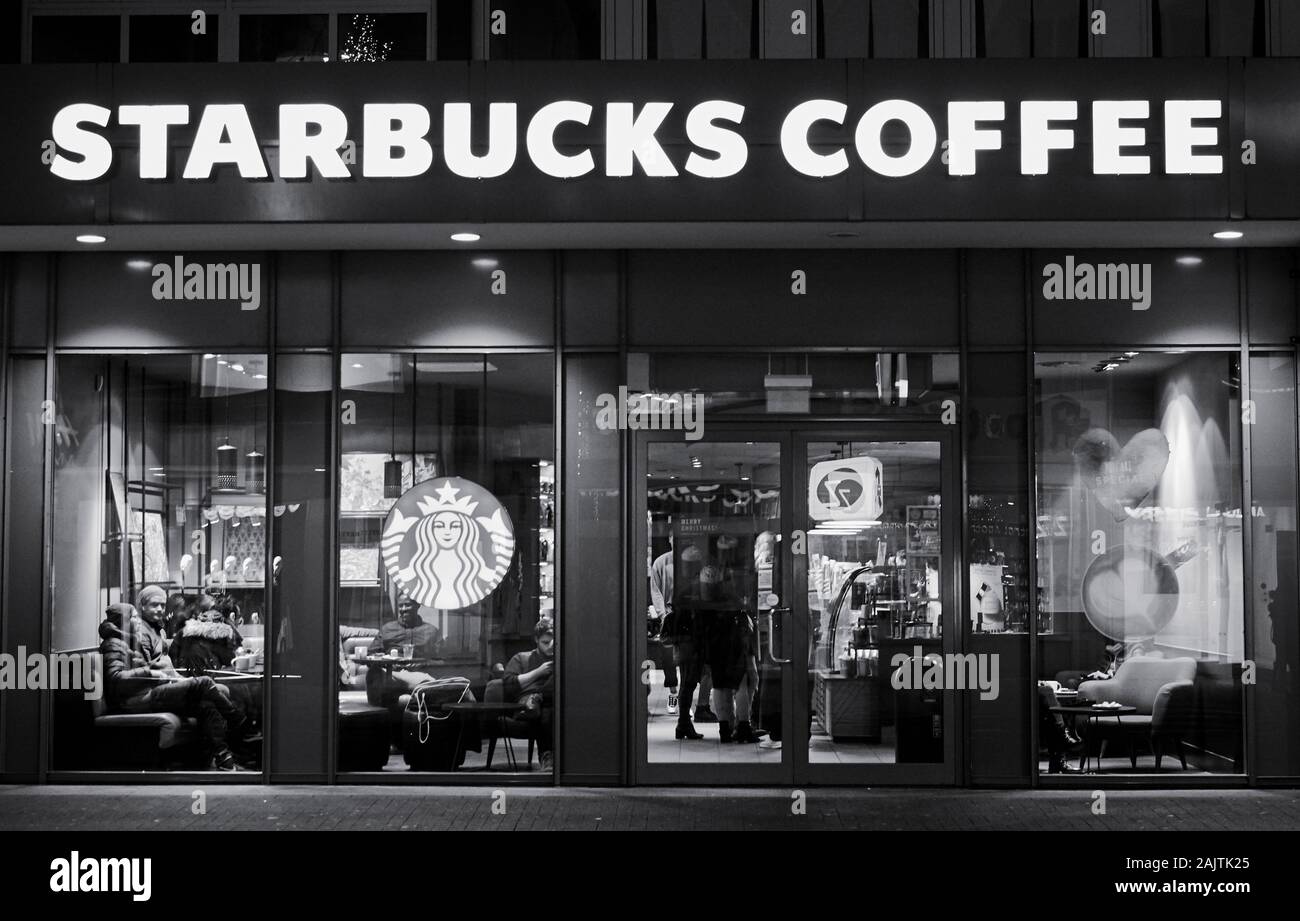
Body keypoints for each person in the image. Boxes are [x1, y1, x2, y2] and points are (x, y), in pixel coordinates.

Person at [98, 602, 252, 770]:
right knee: (205, 682)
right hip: (134, 700)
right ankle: (240, 722)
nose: (139, 621)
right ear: (123, 621)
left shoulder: (132, 640)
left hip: (148, 691)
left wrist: (157, 670)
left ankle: (225, 761)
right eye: (134, 617)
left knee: (206, 705)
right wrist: (150, 672)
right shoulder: (114, 643)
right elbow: (115, 678)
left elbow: (148, 664)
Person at [365, 590, 444, 708]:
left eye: (407, 605)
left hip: (418, 675)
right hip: (391, 674)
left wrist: (424, 663)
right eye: (400, 605)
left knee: (432, 683)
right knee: (375, 673)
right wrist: (388, 662)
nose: (403, 609)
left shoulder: (431, 631)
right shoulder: (387, 629)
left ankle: (417, 695)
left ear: (417, 605)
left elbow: (442, 660)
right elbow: (371, 655)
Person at [502, 617, 556, 771]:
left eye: (554, 642)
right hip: (526, 706)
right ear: (536, 640)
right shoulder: (521, 658)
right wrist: (537, 673)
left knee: (549, 703)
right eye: (546, 642)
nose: (551, 647)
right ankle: (548, 756)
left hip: (550, 704)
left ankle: (549, 756)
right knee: (546, 709)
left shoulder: (562, 658)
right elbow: (508, 686)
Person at [648, 545, 679, 714]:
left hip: (688, 614)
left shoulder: (696, 558)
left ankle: (682, 697)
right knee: (669, 658)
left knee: (689, 659)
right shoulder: (661, 562)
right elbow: (656, 591)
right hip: (668, 615)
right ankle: (673, 693)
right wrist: (663, 615)